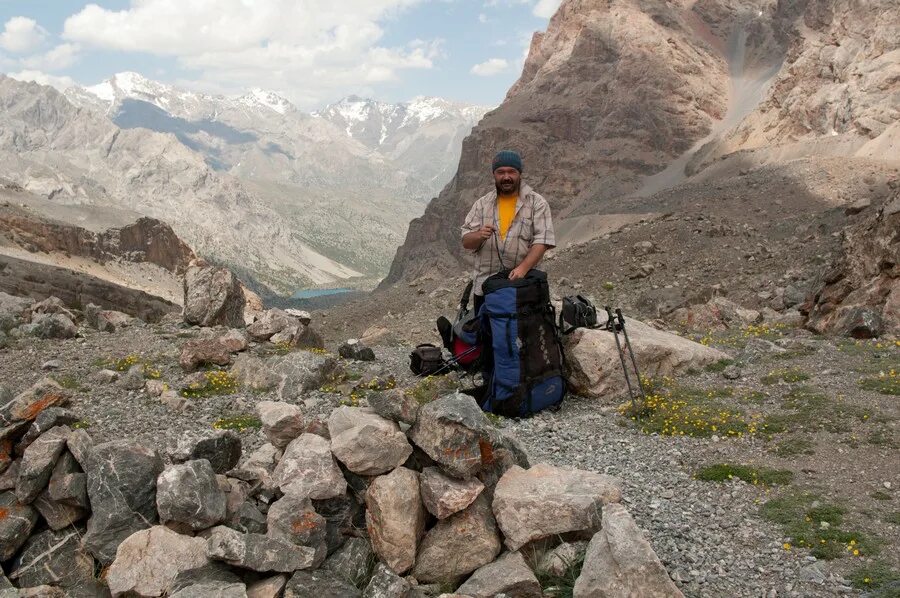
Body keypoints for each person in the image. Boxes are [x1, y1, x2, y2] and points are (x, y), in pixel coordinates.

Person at [461, 150, 556, 313]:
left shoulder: (537, 203)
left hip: (522, 287)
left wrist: (522, 269)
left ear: (519, 173)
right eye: (501, 172)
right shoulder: (481, 205)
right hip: (485, 288)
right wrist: (479, 235)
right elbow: (466, 241)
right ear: (494, 175)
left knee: (521, 335)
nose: (506, 177)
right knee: (487, 335)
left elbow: (542, 240)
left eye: (511, 171)